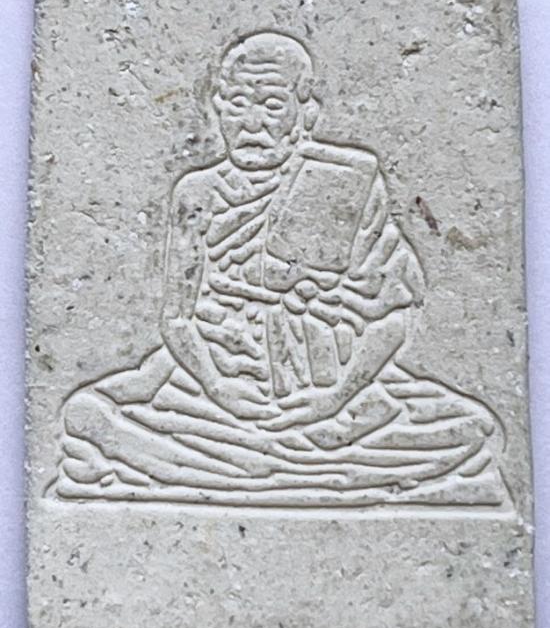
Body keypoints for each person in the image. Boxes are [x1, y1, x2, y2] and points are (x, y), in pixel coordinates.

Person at [55, 31, 506, 507]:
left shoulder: (342, 186)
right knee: (84, 414)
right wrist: (220, 387)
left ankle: (254, 470)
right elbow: (177, 318)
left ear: (305, 113)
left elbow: (394, 311)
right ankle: (286, 471)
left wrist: (333, 399)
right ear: (218, 106)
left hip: (329, 391)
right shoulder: (197, 193)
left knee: (475, 428)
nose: (252, 123)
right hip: (213, 383)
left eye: (272, 105)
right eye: (238, 103)